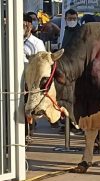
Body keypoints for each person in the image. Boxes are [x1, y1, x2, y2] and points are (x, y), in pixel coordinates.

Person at [23, 13, 46, 142]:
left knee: (27, 109)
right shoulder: (10, 40)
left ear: (29, 26)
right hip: (12, 82)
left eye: (24, 25)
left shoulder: (37, 43)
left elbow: (41, 64)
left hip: (29, 83)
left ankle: (27, 133)